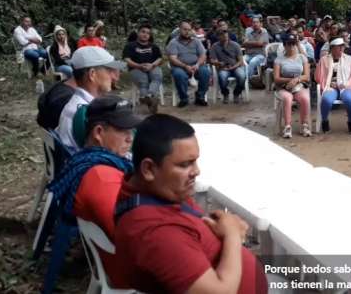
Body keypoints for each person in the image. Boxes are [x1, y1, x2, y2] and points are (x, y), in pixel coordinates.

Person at [112, 114, 268, 293]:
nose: (196, 171)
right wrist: (232, 234)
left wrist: (222, 226)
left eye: (195, 161)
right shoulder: (155, 233)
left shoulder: (162, 190)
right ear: (148, 169)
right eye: (185, 164)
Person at [47, 95, 141, 279]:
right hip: (129, 270)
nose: (131, 138)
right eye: (124, 131)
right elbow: (133, 238)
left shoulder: (89, 160)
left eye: (131, 130)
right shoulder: (102, 178)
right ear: (98, 132)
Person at [56, 47, 125, 150]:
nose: (114, 77)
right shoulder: (86, 114)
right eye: (109, 70)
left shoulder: (77, 105)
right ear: (92, 74)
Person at [315, 38, 351, 134]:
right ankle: (325, 121)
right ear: (332, 48)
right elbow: (318, 76)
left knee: (350, 100)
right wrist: (328, 83)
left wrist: (345, 84)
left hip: (345, 86)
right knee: (326, 99)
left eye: (342, 47)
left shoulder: (350, 59)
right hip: (330, 86)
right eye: (338, 47)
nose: (341, 49)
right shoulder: (324, 60)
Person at [274, 34, 311, 138]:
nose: (291, 47)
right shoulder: (279, 59)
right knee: (288, 98)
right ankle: (287, 126)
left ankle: (304, 125)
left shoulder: (302, 57)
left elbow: (307, 76)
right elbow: (276, 78)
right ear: (284, 45)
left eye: (293, 44)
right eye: (289, 44)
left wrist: (296, 80)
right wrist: (290, 80)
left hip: (299, 85)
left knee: (305, 98)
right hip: (283, 86)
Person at [167, 21, 211, 107]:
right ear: (179, 30)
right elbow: (172, 58)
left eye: (189, 30)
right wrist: (185, 66)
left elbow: (203, 55)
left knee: (205, 72)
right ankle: (184, 99)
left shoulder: (196, 41)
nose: (187, 32)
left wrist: (197, 64)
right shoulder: (173, 42)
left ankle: (200, 97)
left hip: (196, 66)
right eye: (185, 29)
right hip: (180, 67)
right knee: (179, 75)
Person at [123, 24, 163, 113]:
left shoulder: (154, 46)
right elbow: (127, 59)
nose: (145, 35)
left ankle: (149, 96)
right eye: (143, 32)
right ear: (138, 32)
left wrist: (152, 65)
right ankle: (151, 102)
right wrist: (138, 66)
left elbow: (159, 58)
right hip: (136, 68)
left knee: (157, 77)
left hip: (152, 66)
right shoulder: (130, 45)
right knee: (143, 81)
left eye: (148, 33)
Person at [209, 30, 246, 104]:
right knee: (222, 77)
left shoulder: (235, 45)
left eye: (226, 35)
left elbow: (240, 61)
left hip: (236, 66)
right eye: (222, 35)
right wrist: (219, 63)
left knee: (242, 76)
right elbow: (212, 60)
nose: (225, 37)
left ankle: (236, 93)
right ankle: (225, 94)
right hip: (223, 68)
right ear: (218, 37)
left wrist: (233, 67)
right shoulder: (215, 46)